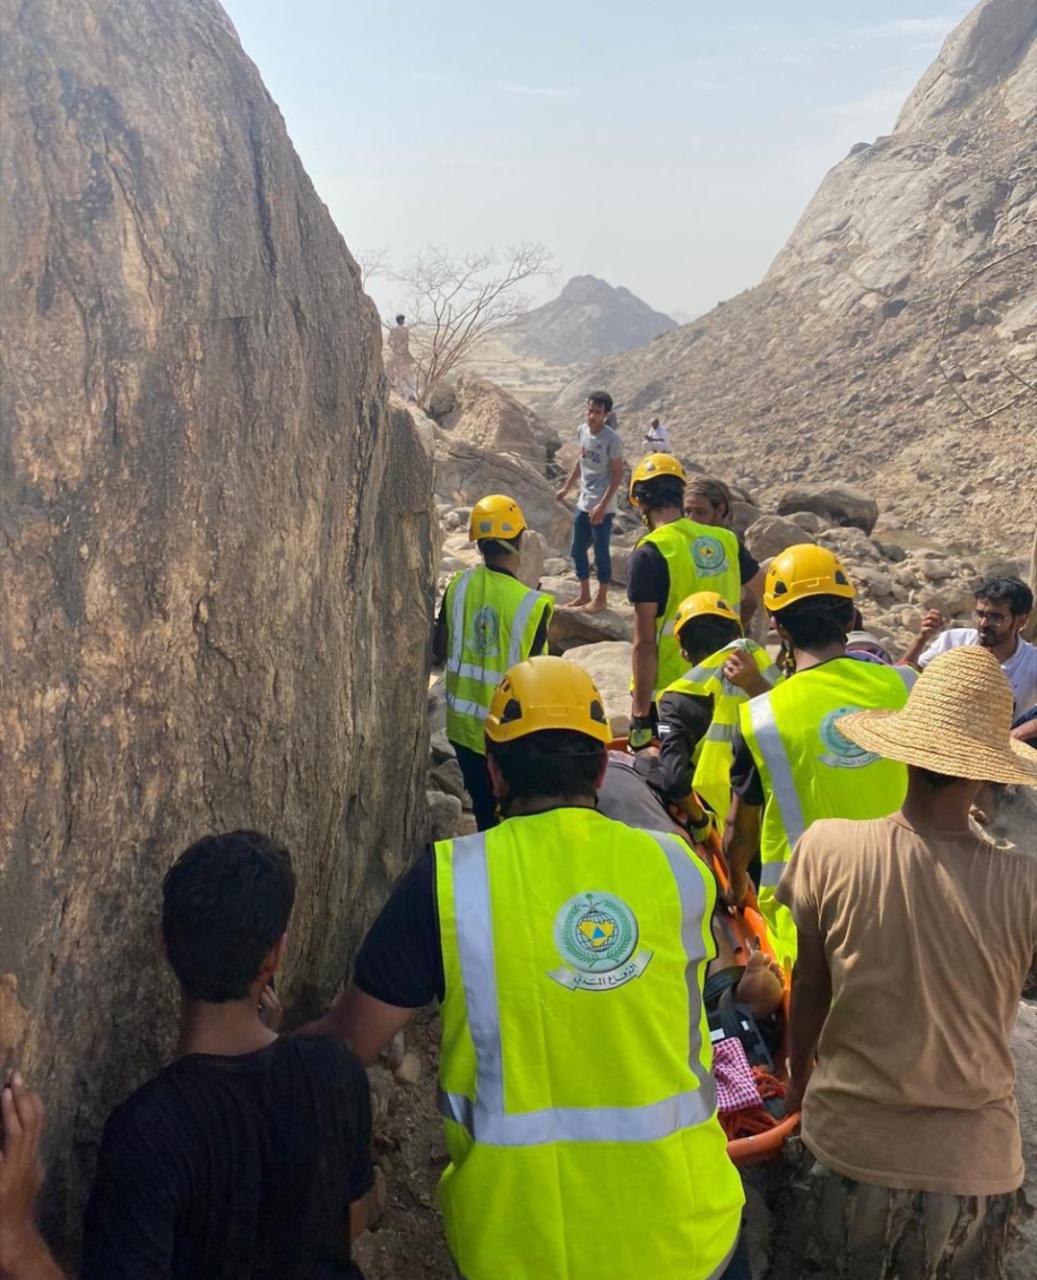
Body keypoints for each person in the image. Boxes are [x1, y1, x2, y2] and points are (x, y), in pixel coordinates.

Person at [310, 656, 749, 1280]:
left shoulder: (449, 884)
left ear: (493, 772)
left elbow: (342, 1047)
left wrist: (254, 1039)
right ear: (601, 768)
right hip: (691, 1238)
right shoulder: (678, 868)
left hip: (520, 1251)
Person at [1, 832, 374, 1280]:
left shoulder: (148, 1134)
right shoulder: (334, 1070)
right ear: (273, 957)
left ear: (164, 945)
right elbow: (351, 1221)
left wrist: (16, 1237)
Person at [776, 645, 1037, 1277]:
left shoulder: (828, 848)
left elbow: (809, 989)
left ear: (905, 750)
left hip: (849, 1146)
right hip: (974, 1167)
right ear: (987, 773)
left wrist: (797, 1087)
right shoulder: (1025, 879)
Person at [725, 545, 916, 965]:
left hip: (811, 925)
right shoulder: (906, 684)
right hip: (912, 905)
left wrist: (737, 883)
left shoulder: (761, 717)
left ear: (779, 627)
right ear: (850, 619)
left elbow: (740, 829)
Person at [433, 494, 552, 829]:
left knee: (483, 807)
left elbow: (439, 648)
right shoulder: (532, 605)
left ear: (478, 543)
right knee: (512, 815)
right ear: (520, 541)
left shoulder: (458, 586)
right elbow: (538, 678)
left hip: (462, 731)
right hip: (509, 734)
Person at [625, 455, 748, 750]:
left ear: (640, 503)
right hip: (727, 682)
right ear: (681, 495)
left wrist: (640, 712)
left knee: (671, 768)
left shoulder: (650, 552)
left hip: (671, 697)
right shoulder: (725, 541)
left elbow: (645, 642)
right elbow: (761, 590)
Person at [657, 591, 780, 833]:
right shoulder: (772, 679)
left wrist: (700, 821)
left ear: (684, 653)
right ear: (738, 635)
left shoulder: (675, 700)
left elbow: (673, 778)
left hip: (725, 825)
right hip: (780, 809)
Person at [903, 577, 1037, 741]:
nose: (983, 623)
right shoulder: (953, 641)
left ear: (1021, 621)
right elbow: (904, 677)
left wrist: (1018, 734)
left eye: (996, 617)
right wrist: (921, 639)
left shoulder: (1031, 662)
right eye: (980, 614)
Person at [554, 391, 624, 614]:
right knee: (577, 550)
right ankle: (584, 594)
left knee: (601, 553)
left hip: (603, 505)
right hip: (584, 502)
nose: (592, 416)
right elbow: (581, 461)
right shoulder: (582, 431)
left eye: (597, 412)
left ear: (606, 414)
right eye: (590, 411)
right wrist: (567, 487)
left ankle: (601, 598)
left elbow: (617, 475)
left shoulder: (612, 440)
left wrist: (602, 506)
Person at [385, 313, 417, 401]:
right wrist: (400, 349)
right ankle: (407, 394)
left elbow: (390, 342)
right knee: (406, 375)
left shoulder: (395, 330)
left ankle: (406, 394)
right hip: (402, 354)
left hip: (399, 353)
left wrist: (396, 349)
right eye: (402, 320)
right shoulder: (405, 330)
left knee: (397, 372)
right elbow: (405, 342)